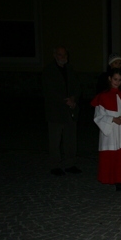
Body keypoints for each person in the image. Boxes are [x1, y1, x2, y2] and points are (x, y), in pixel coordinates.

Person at [91, 68, 121, 191]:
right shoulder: (102, 96)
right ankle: (117, 180)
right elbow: (98, 116)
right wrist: (112, 119)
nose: (117, 82)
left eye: (119, 80)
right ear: (110, 79)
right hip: (111, 129)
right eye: (115, 79)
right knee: (114, 154)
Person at [42, 46, 82, 176]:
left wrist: (73, 99)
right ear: (55, 55)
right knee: (55, 139)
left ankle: (70, 163)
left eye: (65, 55)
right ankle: (55, 164)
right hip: (56, 111)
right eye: (60, 55)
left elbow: (77, 87)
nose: (63, 57)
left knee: (70, 138)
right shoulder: (49, 71)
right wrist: (65, 100)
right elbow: (49, 90)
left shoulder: (70, 70)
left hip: (70, 110)